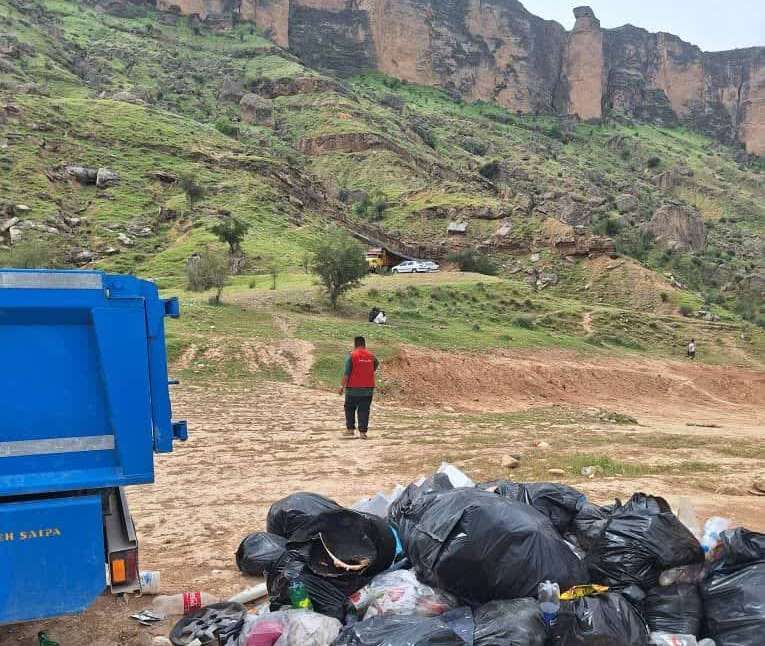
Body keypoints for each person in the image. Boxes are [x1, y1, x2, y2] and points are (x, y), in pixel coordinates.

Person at [339, 336, 379, 440]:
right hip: (368, 389)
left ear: (355, 344)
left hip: (353, 389)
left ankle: (350, 430)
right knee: (364, 410)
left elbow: (346, 373)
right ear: (364, 344)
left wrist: (341, 386)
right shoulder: (371, 356)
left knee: (349, 408)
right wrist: (368, 371)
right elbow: (376, 364)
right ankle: (363, 433)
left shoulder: (352, 355)